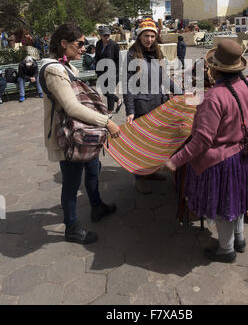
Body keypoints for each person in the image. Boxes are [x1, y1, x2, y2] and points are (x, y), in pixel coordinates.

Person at [160, 39, 248, 263]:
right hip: (247, 155)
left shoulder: (214, 98)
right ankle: (240, 238)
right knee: (238, 200)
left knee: (225, 206)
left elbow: (202, 141)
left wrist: (175, 161)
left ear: (214, 69)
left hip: (225, 162)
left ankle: (226, 250)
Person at [40, 23, 121, 245]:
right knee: (71, 183)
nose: (84, 48)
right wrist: (107, 122)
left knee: (94, 169)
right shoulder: (53, 70)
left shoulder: (65, 67)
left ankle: (97, 206)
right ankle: (72, 227)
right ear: (63, 44)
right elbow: (72, 108)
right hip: (68, 136)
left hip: (83, 133)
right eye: (80, 43)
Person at [123, 18, 182, 193]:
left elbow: (164, 78)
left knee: (157, 143)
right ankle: (139, 177)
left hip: (158, 104)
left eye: (152, 36)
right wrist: (130, 110)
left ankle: (152, 171)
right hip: (142, 107)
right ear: (139, 36)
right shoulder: (132, 55)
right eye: (146, 36)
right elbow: (127, 85)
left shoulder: (157, 53)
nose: (149, 39)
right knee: (142, 145)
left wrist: (180, 92)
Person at [95, 27, 122, 114]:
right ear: (100, 36)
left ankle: (109, 111)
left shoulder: (114, 45)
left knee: (109, 91)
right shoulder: (98, 44)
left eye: (108, 35)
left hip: (113, 72)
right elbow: (97, 57)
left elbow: (119, 60)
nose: (106, 37)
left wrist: (116, 72)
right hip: (102, 72)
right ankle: (118, 100)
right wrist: (97, 70)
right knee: (104, 91)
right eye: (104, 35)